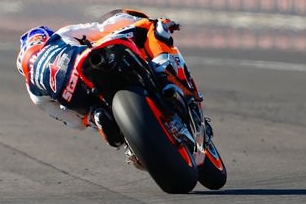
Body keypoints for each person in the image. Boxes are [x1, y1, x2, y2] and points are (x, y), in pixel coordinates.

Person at [15, 10, 182, 148]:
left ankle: (99, 117)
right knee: (150, 26)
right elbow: (102, 29)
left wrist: (87, 120)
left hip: (75, 97)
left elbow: (74, 123)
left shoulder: (33, 91)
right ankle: (163, 72)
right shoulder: (59, 37)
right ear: (44, 39)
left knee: (87, 115)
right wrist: (134, 20)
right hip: (86, 63)